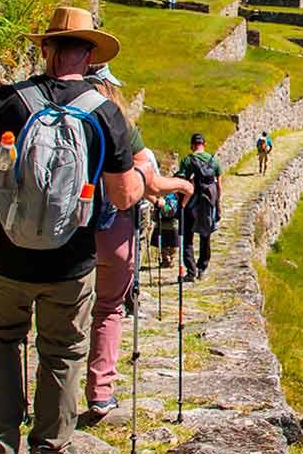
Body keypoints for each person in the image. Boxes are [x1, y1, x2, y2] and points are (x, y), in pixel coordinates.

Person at [0, 6, 186, 454]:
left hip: (3, 257)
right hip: (70, 263)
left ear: (45, 48)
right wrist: (143, 176)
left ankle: (0, 446)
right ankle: (49, 446)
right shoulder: (105, 115)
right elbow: (121, 196)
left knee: (0, 344)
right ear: (90, 55)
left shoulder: (6, 101)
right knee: (61, 354)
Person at [78, 61, 191, 417]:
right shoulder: (119, 123)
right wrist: (180, 185)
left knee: (61, 308)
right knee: (109, 307)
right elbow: (149, 179)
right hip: (111, 227)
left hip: (63, 230)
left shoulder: (51, 111)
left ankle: (55, 399)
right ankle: (100, 390)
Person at [176, 133, 223, 283]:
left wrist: (181, 201)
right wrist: (217, 203)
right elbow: (219, 186)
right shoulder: (214, 160)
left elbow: (182, 182)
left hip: (191, 203)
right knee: (205, 235)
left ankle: (191, 271)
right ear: (205, 144)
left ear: (191, 145)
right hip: (208, 203)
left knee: (188, 237)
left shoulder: (187, 160)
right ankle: (202, 267)